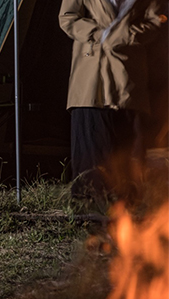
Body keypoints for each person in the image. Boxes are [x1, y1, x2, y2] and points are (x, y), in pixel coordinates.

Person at [59, 0, 166, 199]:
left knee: (127, 147)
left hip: (127, 73)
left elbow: (156, 20)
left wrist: (124, 35)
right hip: (91, 74)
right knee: (91, 144)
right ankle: (89, 209)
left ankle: (127, 208)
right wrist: (100, 35)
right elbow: (68, 18)